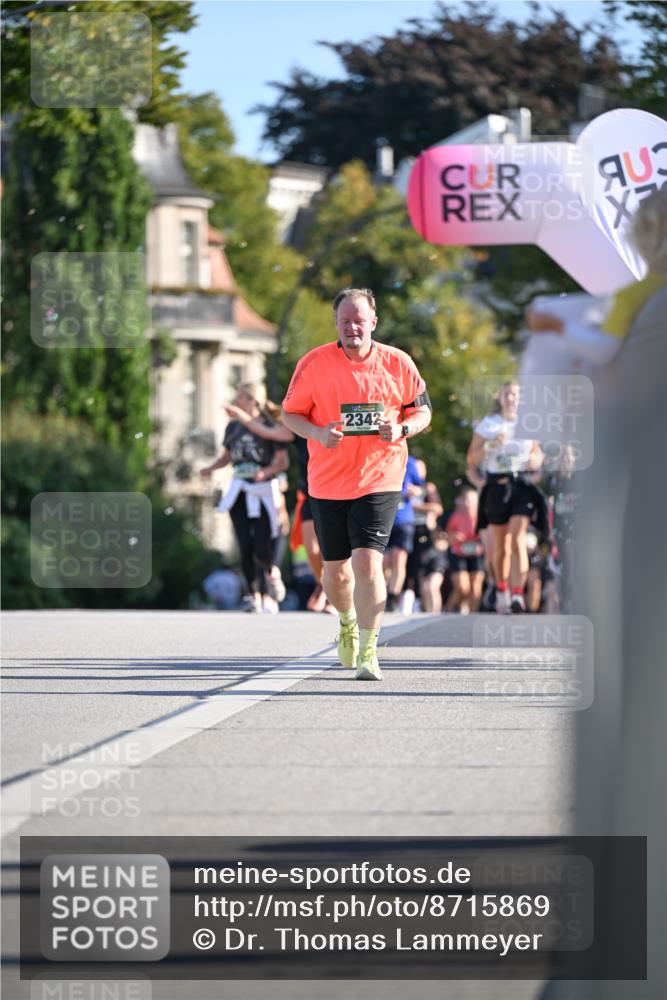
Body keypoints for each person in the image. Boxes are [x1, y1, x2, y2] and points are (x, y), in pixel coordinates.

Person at [281, 287, 431, 680]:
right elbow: (289, 415)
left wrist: (401, 427)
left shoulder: (397, 363)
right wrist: (316, 431)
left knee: (368, 563)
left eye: (359, 321)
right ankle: (347, 621)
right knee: (337, 572)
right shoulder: (314, 364)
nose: (353, 328)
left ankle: (368, 649)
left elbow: (423, 410)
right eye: (346, 321)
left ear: (373, 323)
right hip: (328, 481)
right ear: (337, 324)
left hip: (380, 476)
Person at [201, 383, 292, 613]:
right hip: (239, 490)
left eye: (242, 396)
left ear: (254, 400)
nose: (237, 399)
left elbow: (282, 462)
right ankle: (252, 596)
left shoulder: (271, 427)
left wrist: (265, 472)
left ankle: (271, 571)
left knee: (262, 544)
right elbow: (228, 457)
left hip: (263, 491)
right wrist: (210, 468)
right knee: (244, 544)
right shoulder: (233, 428)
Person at [467, 380, 546, 614]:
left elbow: (538, 454)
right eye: (507, 394)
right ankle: (502, 591)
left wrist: (536, 461)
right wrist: (491, 445)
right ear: (500, 398)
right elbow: (472, 459)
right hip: (497, 487)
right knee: (501, 546)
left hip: (521, 485)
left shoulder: (530, 425)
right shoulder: (488, 425)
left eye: (515, 394)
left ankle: (518, 595)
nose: (511, 398)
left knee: (518, 538)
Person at [383, 452, 424, 611]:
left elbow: (419, 488)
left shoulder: (411, 462)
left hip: (403, 519)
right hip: (383, 518)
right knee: (383, 562)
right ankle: (383, 592)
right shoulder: (379, 456)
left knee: (399, 559)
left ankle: (393, 598)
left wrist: (413, 490)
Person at [443, 486, 485, 614]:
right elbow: (447, 536)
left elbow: (488, 537)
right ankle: (450, 609)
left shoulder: (481, 516)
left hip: (476, 553)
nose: (467, 503)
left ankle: (471, 616)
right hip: (459, 552)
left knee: (476, 588)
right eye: (465, 500)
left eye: (470, 500)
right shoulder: (456, 516)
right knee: (462, 587)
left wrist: (480, 544)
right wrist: (454, 536)